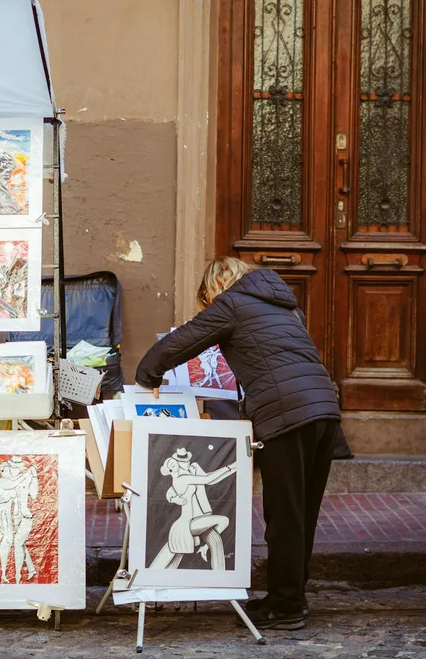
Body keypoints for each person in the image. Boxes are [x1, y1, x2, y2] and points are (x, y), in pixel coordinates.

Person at [135, 257, 341, 630]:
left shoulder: (231, 304)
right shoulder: (288, 309)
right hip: (324, 411)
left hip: (287, 416)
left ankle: (287, 607)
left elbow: (185, 339)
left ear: (215, 286)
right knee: (302, 514)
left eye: (207, 297)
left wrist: (147, 373)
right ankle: (290, 597)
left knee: (284, 516)